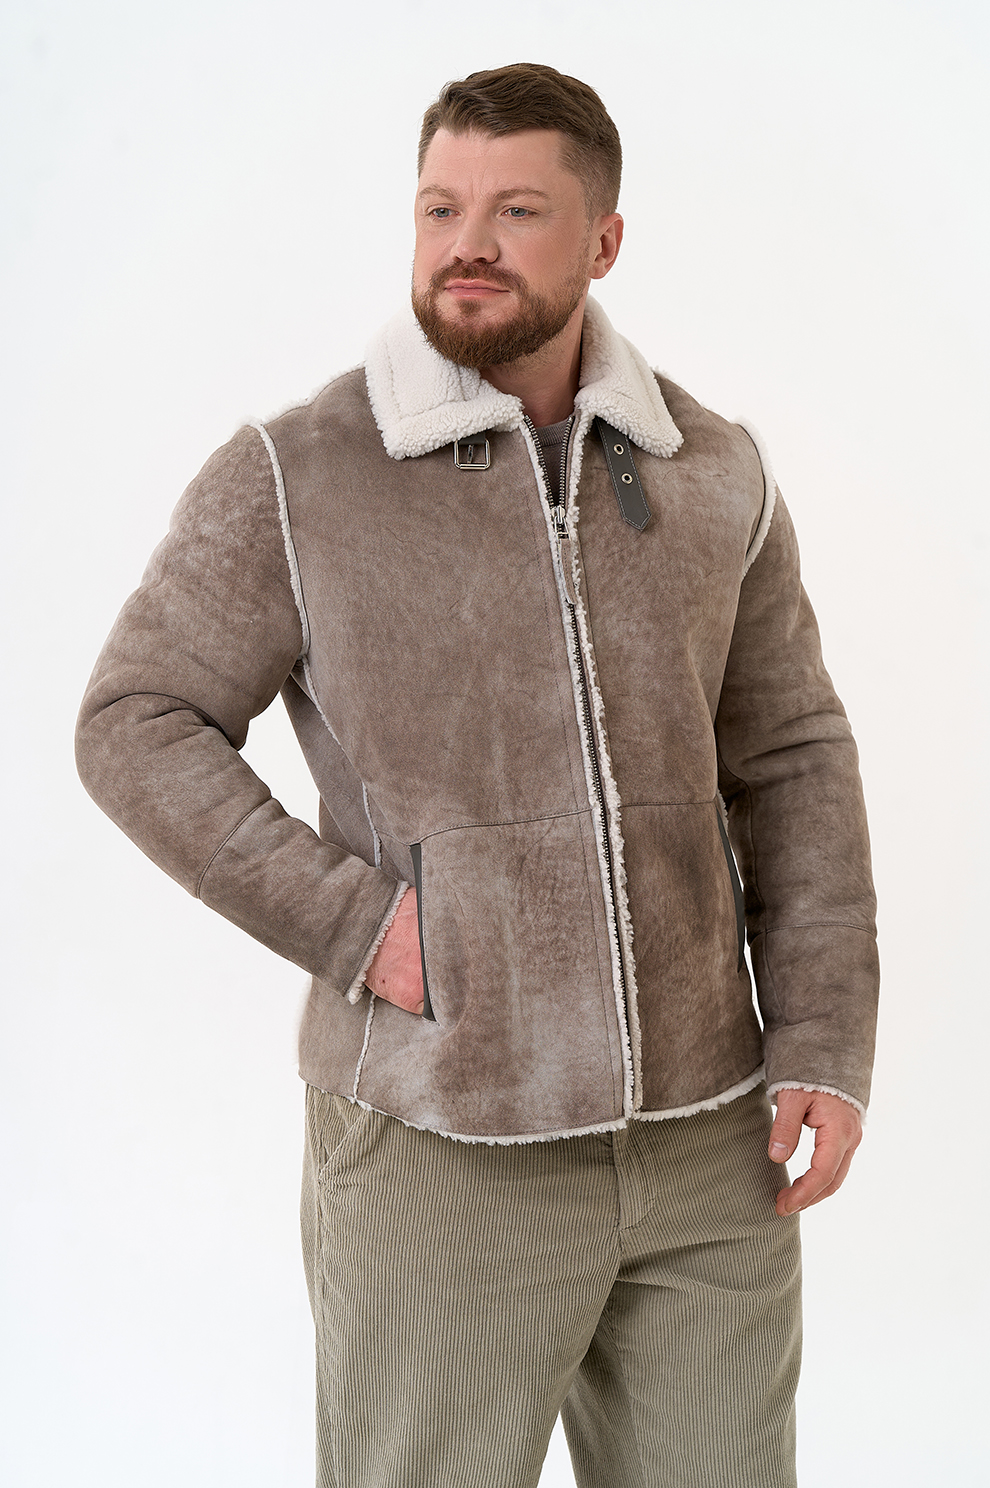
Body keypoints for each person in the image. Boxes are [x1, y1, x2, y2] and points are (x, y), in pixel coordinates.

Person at [76, 62, 878, 1488]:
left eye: (517, 210)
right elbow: (136, 719)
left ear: (604, 240)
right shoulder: (300, 473)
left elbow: (794, 755)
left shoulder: (710, 469)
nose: (469, 244)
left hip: (708, 1140)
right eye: (441, 207)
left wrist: (822, 1039)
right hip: (443, 1133)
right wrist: (362, 928)